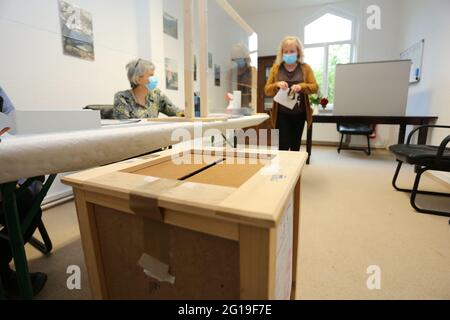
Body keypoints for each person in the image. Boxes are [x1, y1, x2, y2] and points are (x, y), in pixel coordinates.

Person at [264, 36, 319, 151]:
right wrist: (277, 84)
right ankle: (283, 169)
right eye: (286, 51)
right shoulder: (276, 68)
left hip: (299, 114)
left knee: (295, 146)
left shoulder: (305, 68)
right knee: (282, 145)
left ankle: (294, 169)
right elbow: (267, 90)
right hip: (281, 114)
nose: (289, 54)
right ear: (282, 53)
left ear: (298, 52)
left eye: (292, 51)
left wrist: (301, 86)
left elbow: (314, 87)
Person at [113, 59, 184, 119]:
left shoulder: (157, 95)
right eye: (151, 75)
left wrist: (188, 111)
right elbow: (124, 126)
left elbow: (177, 112)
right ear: (138, 79)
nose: (154, 79)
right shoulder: (122, 98)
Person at [229, 43, 255, 109]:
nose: (237, 59)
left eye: (239, 56)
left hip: (249, 106)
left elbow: (255, 91)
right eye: (235, 57)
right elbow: (228, 91)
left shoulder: (252, 71)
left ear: (245, 57)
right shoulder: (231, 72)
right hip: (233, 107)